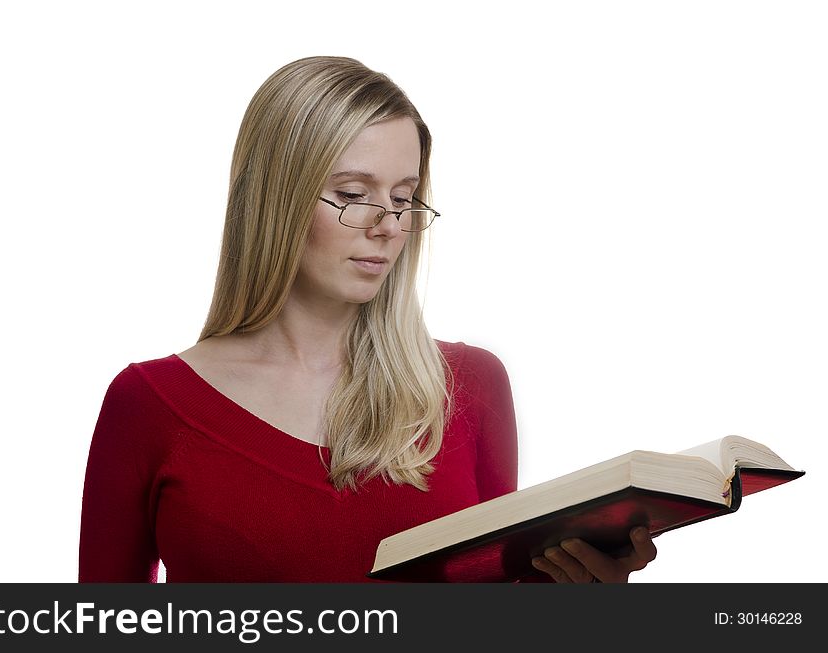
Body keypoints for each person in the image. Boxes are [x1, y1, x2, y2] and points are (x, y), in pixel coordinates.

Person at [78, 55, 657, 583]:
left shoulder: (470, 386)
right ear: (276, 198)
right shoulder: (148, 406)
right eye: (354, 193)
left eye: (404, 199)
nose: (388, 225)